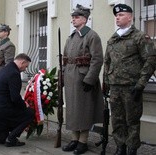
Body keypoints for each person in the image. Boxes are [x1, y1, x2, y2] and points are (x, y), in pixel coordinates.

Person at [103, 4, 156, 155]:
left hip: (131, 87)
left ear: (130, 17)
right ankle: (121, 147)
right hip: (115, 87)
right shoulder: (113, 39)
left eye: (120, 15)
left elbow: (151, 60)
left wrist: (141, 84)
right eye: (116, 16)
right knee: (117, 120)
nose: (117, 18)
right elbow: (107, 62)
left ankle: (132, 149)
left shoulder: (139, 36)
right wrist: (105, 83)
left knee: (132, 121)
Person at [62, 4, 104, 155]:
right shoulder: (71, 37)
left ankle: (83, 141)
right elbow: (65, 59)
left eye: (77, 17)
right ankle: (74, 139)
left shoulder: (92, 36)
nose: (73, 19)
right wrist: (62, 76)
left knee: (84, 110)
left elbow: (97, 59)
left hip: (83, 78)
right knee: (72, 109)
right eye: (72, 17)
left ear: (85, 19)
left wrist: (90, 79)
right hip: (70, 77)